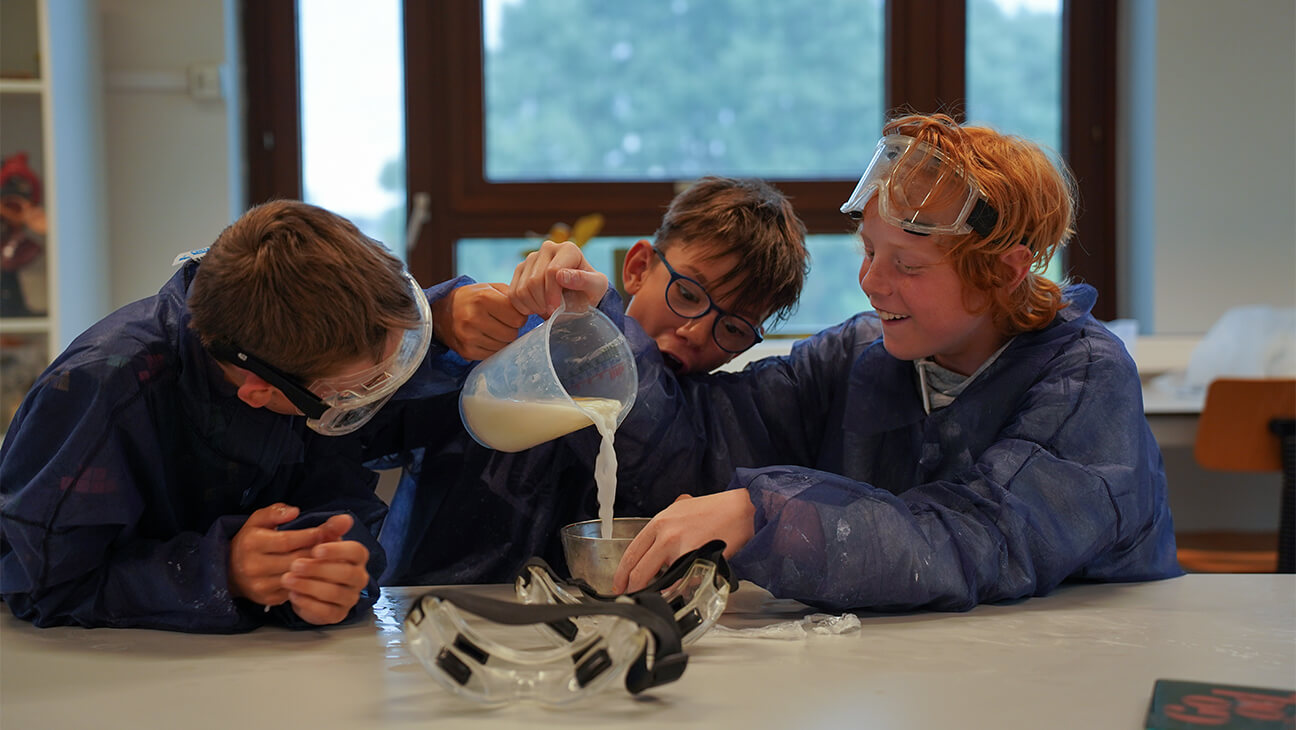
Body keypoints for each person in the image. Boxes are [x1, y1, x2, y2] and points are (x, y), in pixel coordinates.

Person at [515, 113, 1183, 612]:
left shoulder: (1083, 378)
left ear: (1003, 273)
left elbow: (974, 539)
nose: (872, 281)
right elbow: (701, 441)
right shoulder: (861, 353)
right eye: (868, 250)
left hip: (1083, 672)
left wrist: (765, 512)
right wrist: (593, 325)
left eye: (907, 265)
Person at [0, 200, 435, 632]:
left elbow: (335, 498)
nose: (357, 400)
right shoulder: (98, 391)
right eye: (348, 393)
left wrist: (322, 575)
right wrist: (220, 571)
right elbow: (41, 584)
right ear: (258, 390)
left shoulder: (298, 363)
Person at [374, 177, 809, 585]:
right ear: (638, 267)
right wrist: (439, 324)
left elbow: (663, 441)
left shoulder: (698, 419)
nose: (695, 332)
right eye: (688, 294)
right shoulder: (513, 354)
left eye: (731, 329)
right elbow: (370, 426)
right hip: (434, 613)